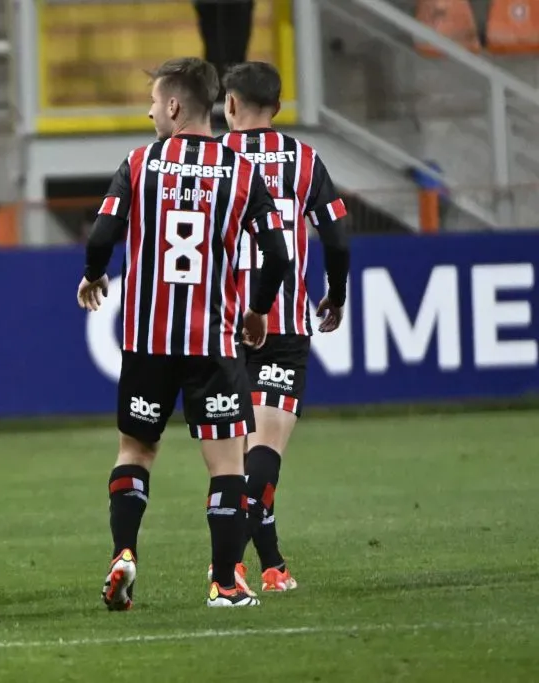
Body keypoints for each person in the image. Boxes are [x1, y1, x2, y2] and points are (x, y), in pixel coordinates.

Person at [77, 56, 291, 610]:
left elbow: (103, 233)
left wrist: (94, 275)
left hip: (149, 338)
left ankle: (124, 552)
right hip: (212, 341)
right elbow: (276, 253)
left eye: (153, 103)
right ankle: (224, 582)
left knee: (135, 449)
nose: (150, 113)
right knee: (227, 465)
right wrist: (259, 310)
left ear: (174, 106)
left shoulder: (140, 163)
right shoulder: (243, 171)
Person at [219, 61, 350, 592]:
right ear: (277, 106)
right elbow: (337, 237)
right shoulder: (303, 159)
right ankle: (239, 563)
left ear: (229, 105)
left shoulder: (212, 159)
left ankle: (267, 563)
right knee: (265, 452)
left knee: (236, 455)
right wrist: (335, 296)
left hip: (222, 326)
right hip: (283, 322)